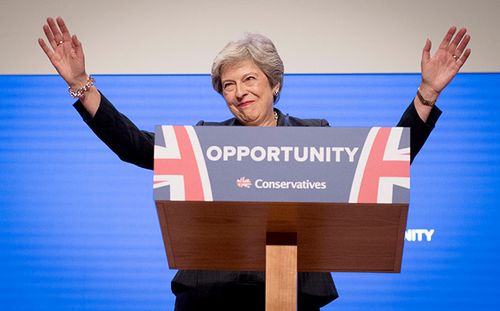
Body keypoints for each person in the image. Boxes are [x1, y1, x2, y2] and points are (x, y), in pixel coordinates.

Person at [38, 16, 471, 311]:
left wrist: (427, 97)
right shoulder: (206, 140)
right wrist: (81, 85)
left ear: (275, 84)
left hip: (294, 296)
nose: (239, 91)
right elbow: (133, 145)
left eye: (249, 79)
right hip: (208, 298)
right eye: (228, 84)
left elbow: (386, 161)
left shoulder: (315, 137)